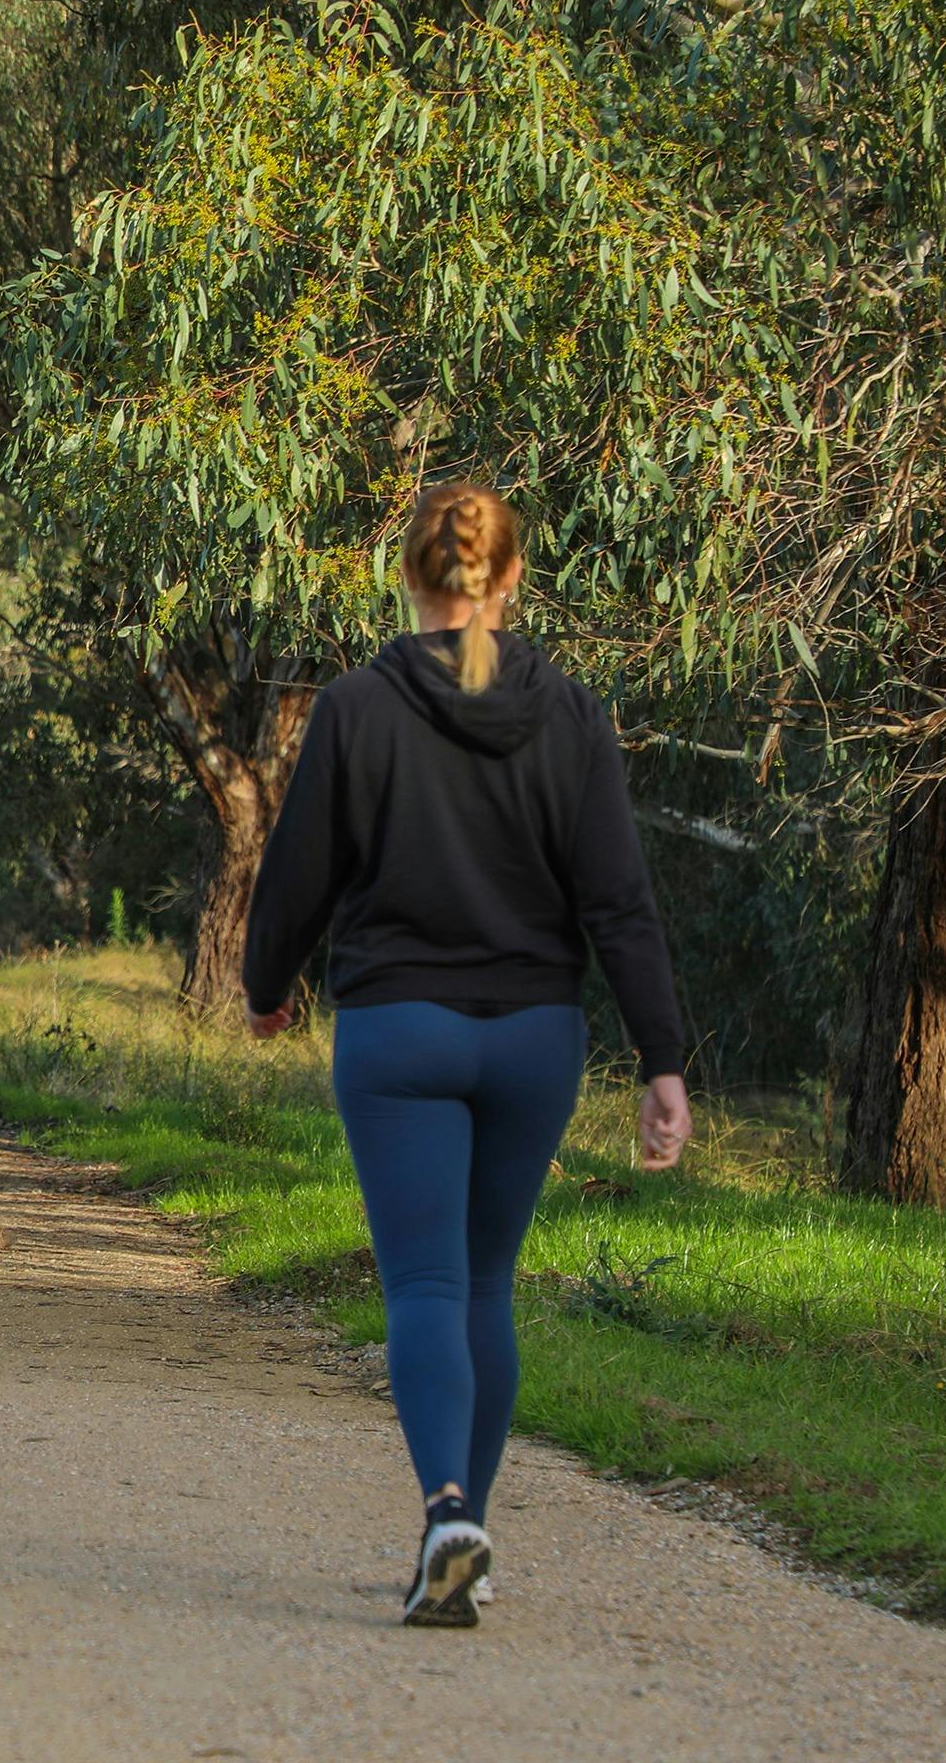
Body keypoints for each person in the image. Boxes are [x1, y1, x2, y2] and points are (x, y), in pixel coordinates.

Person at [239, 479, 691, 1628]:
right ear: (512, 577)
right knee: (486, 1282)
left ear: (408, 574)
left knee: (428, 1283)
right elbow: (620, 900)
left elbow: (298, 873)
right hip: (534, 1036)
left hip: (400, 1030)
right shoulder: (573, 714)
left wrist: (266, 987)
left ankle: (448, 1511)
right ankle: (465, 1541)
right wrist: (663, 1058)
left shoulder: (357, 707)